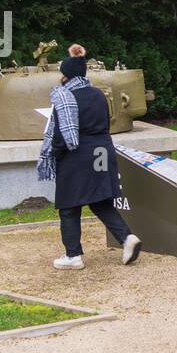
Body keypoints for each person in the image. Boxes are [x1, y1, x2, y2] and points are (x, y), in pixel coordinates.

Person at [37, 44, 141, 270]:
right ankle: (126, 238)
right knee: (100, 201)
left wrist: (54, 155)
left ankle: (73, 255)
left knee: (69, 207)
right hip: (102, 151)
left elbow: (61, 137)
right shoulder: (99, 94)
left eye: (62, 73)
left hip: (78, 157)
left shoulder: (65, 99)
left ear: (67, 75)